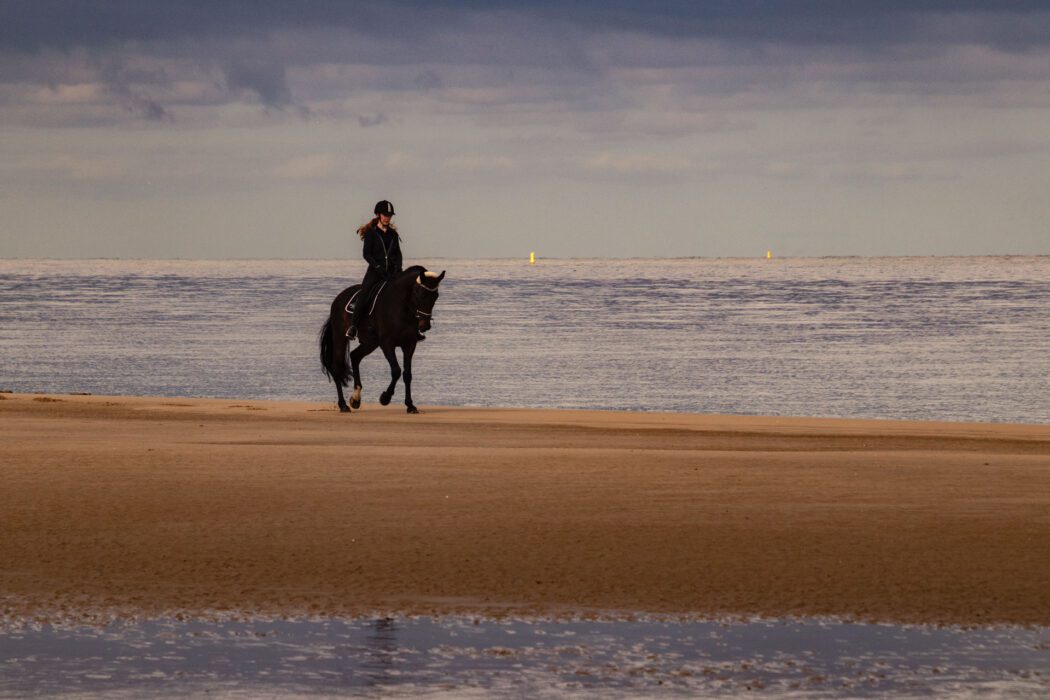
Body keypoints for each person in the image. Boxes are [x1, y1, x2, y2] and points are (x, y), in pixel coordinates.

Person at [346, 199, 406, 341]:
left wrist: (399, 269)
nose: (387, 218)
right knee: (365, 294)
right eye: (385, 215)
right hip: (375, 272)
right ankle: (353, 327)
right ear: (379, 215)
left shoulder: (393, 234)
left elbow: (398, 254)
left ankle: (412, 328)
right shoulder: (371, 233)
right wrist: (377, 266)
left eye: (389, 215)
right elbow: (366, 254)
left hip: (392, 273)